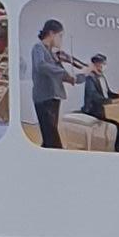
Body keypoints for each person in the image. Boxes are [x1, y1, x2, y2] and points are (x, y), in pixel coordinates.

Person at [79, 50, 119, 150]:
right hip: (94, 110)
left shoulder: (102, 77)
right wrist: (110, 102)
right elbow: (94, 97)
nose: (102, 66)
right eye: (100, 64)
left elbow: (108, 93)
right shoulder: (90, 78)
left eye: (103, 64)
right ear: (95, 65)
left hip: (103, 107)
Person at [30, 18, 69, 148]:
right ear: (51, 33)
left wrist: (61, 61)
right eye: (60, 36)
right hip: (44, 98)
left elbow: (60, 73)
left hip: (53, 97)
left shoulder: (51, 53)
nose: (61, 40)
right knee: (52, 137)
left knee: (49, 137)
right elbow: (41, 66)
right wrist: (62, 72)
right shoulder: (38, 48)